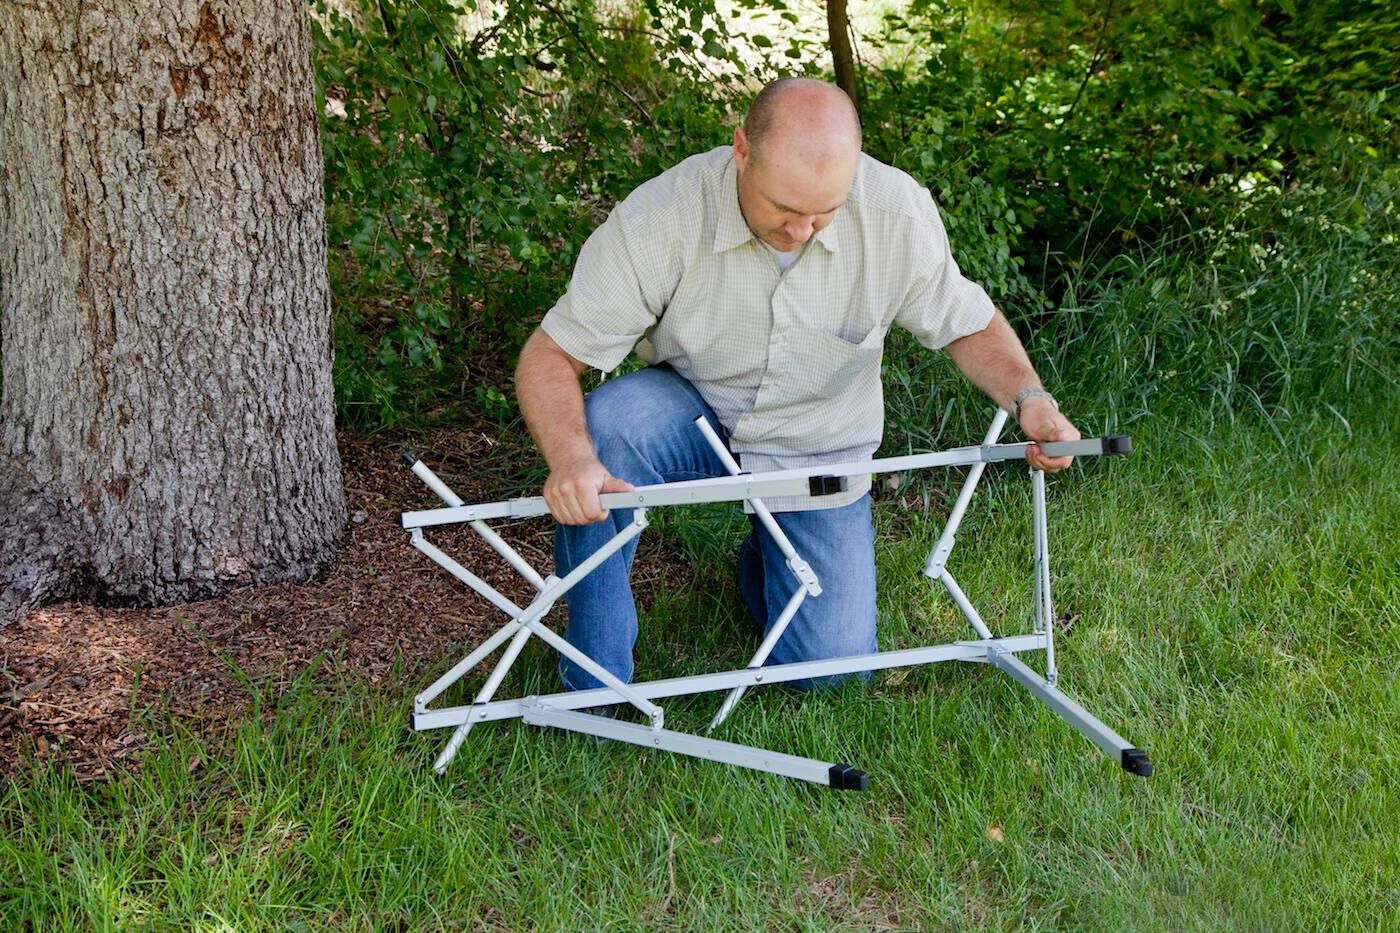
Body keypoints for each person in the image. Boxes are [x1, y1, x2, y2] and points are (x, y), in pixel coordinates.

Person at [514, 77, 1080, 694]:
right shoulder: (662, 214)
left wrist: (1032, 400)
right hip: (695, 409)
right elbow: (551, 355)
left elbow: (967, 325)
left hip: (819, 442)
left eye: (826, 212)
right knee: (606, 432)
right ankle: (596, 682)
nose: (803, 231)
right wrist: (570, 458)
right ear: (742, 151)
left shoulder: (895, 211)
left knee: (830, 673)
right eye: (784, 209)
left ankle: (765, 559)